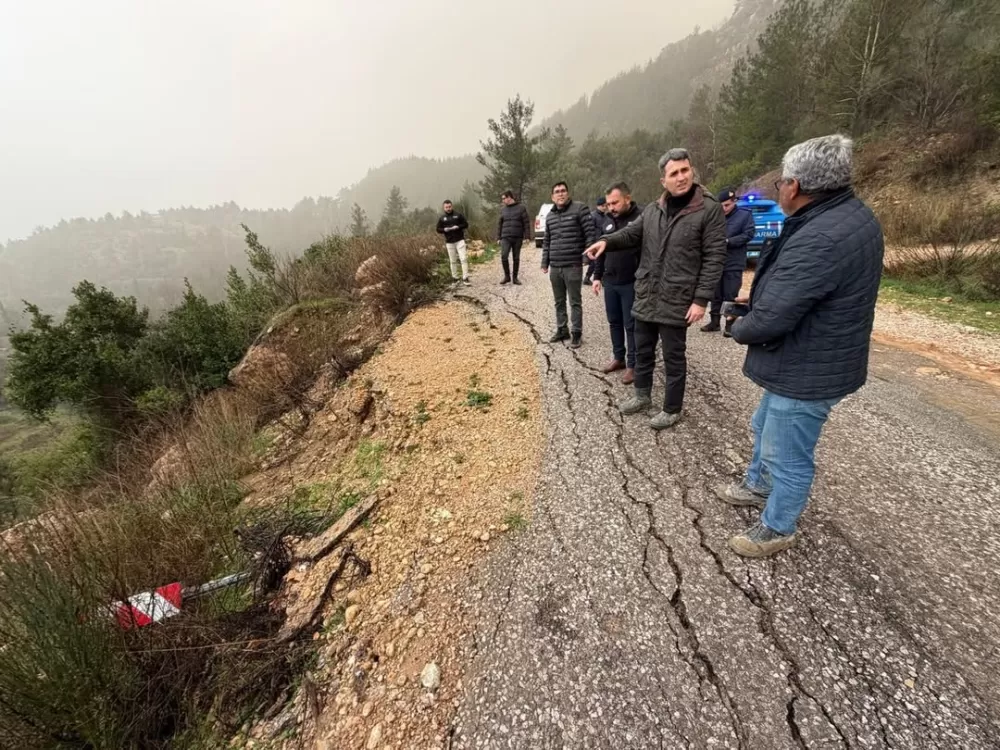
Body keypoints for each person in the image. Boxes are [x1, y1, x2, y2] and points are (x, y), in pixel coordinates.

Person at [717, 134, 884, 558]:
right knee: (764, 425)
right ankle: (758, 484)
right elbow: (801, 293)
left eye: (781, 184)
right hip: (810, 353)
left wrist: (740, 326)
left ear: (794, 186)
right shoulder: (849, 215)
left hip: (810, 366)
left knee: (787, 451)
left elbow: (773, 317)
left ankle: (777, 526)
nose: (780, 191)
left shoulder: (820, 237)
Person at [585, 148, 726, 429]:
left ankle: (672, 408)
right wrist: (606, 242)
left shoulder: (708, 210)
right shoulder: (653, 210)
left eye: (685, 170)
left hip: (678, 297)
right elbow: (630, 233)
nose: (681, 177)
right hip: (647, 294)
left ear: (692, 171)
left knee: (674, 357)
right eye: (674, 173)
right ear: (664, 181)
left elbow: (714, 258)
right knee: (643, 349)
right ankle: (642, 396)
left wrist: (700, 300)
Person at [592, 182, 642, 385]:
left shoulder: (640, 218)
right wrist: (597, 276)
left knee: (631, 325)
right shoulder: (607, 221)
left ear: (627, 198)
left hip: (631, 281)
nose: (611, 207)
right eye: (608, 204)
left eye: (615, 202)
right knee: (614, 322)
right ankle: (618, 358)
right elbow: (600, 251)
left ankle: (633, 365)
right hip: (611, 281)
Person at [542, 181, 597, 349]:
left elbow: (590, 233)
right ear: (552, 196)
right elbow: (546, 241)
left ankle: (577, 333)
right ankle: (562, 330)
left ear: (568, 193)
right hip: (555, 266)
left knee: (575, 301)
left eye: (563, 191)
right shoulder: (550, 216)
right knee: (559, 301)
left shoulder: (580, 209)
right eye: (557, 191)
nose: (560, 194)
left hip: (573, 264)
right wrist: (545, 262)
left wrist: (587, 257)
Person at [702, 188, 755, 337]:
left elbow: (748, 234)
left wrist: (729, 241)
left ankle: (730, 325)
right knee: (715, 293)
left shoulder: (744, 215)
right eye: (721, 206)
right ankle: (714, 322)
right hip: (716, 261)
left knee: (730, 293)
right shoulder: (715, 216)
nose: (724, 209)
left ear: (734, 202)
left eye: (727, 205)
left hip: (734, 260)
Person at [497, 190, 531, 285]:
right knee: (504, 256)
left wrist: (527, 236)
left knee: (516, 258)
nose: (503, 200)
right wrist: (498, 237)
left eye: (504, 198)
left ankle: (515, 278)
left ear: (509, 197)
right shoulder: (503, 210)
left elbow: (526, 222)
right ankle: (507, 276)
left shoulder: (521, 208)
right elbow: (500, 224)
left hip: (517, 237)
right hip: (505, 237)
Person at [436, 200, 470, 285]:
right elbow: (438, 229)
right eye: (446, 207)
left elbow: (466, 224)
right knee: (452, 260)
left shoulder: (458, 215)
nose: (448, 209)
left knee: (463, 258)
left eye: (449, 207)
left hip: (460, 240)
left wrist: (458, 227)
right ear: (444, 208)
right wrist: (444, 229)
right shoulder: (442, 218)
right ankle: (455, 277)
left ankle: (465, 277)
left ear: (452, 206)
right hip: (449, 242)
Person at [584, 197, 608, 285]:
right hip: (595, 242)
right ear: (598, 206)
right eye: (603, 206)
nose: (605, 207)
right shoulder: (592, 216)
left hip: (603, 241)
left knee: (602, 261)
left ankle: (601, 278)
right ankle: (587, 277)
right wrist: (590, 244)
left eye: (606, 206)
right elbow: (589, 230)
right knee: (596, 261)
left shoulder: (605, 216)